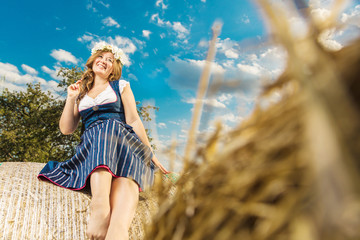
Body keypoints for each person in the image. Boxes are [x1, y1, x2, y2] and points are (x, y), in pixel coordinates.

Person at [38, 41, 169, 240]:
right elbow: (66, 129)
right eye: (101, 57)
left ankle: (110, 222)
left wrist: (150, 153)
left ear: (113, 69)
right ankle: (108, 219)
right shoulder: (80, 94)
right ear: (92, 62)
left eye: (110, 60)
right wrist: (71, 98)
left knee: (122, 161)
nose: (104, 61)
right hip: (93, 147)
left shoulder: (121, 86)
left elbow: (133, 119)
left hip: (124, 141)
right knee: (110, 145)